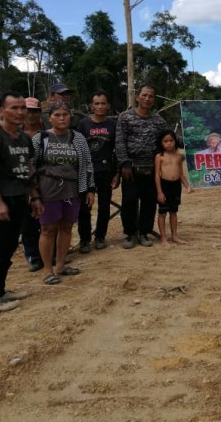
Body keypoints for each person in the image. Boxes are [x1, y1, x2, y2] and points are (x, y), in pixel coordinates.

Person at [0, 92, 35, 314]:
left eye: (23, 108)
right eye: (14, 108)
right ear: (0, 111)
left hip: (20, 197)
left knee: (10, 245)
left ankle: (0, 291)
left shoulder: (24, 138)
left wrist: (35, 195)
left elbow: (28, 168)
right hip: (1, 200)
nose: (20, 112)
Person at [31, 102, 95, 285]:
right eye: (57, 115)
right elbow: (31, 166)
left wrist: (90, 189)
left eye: (65, 115)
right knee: (48, 228)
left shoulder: (78, 138)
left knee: (66, 227)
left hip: (72, 189)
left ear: (70, 117)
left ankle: (60, 265)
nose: (61, 118)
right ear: (49, 117)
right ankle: (47, 270)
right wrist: (33, 194)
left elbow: (87, 164)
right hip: (48, 189)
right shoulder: (40, 138)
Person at [116, 84, 168, 249]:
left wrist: (191, 140)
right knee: (129, 202)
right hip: (131, 168)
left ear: (154, 100)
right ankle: (131, 234)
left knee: (149, 202)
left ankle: (144, 232)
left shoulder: (159, 121)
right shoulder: (125, 117)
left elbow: (170, 138)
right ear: (137, 97)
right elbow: (120, 142)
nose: (147, 99)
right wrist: (124, 163)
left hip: (152, 169)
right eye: (144, 95)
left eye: (151, 96)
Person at [76, 91, 118, 252]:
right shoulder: (82, 125)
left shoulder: (112, 125)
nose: (100, 106)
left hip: (106, 171)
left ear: (108, 106)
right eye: (97, 103)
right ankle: (84, 240)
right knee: (84, 207)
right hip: (86, 172)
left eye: (103, 103)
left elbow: (117, 149)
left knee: (104, 206)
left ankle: (100, 237)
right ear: (91, 106)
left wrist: (117, 173)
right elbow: (78, 149)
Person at [155, 130, 192, 246]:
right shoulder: (159, 157)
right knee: (162, 212)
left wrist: (187, 186)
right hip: (164, 185)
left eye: (171, 141)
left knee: (173, 211)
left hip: (176, 186)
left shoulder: (179, 157)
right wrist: (159, 192)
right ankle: (163, 237)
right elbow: (156, 175)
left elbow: (181, 174)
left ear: (175, 141)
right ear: (161, 143)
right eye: (165, 141)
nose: (169, 143)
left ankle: (174, 235)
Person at [20, 97, 45, 272]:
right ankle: (33, 256)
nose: (31, 114)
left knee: (50, 220)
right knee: (28, 222)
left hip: (48, 182)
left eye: (35, 110)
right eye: (28, 110)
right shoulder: (15, 133)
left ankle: (50, 254)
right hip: (23, 184)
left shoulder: (50, 130)